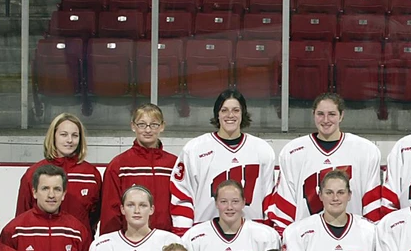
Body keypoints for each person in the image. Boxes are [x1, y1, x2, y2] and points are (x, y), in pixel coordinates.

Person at [268, 92, 384, 231]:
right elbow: (285, 201)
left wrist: (371, 234)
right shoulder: (293, 152)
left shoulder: (365, 151)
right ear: (313, 115)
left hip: (352, 235)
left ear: (341, 115)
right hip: (307, 236)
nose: (326, 120)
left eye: (332, 114)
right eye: (320, 114)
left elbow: (371, 203)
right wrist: (284, 234)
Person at [171, 89, 277, 235]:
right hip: (206, 233)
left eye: (236, 110)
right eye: (224, 110)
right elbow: (182, 194)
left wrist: (268, 232)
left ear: (243, 113)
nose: (230, 115)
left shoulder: (262, 150)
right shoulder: (195, 149)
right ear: (217, 114)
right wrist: (183, 233)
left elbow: (270, 197)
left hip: (251, 233)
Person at [16, 112, 101, 235]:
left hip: (80, 243)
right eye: (63, 135)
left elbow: (95, 215)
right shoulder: (34, 172)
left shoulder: (91, 174)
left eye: (75, 135)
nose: (70, 140)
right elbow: (22, 216)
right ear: (53, 136)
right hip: (40, 241)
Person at [99, 103, 177, 235]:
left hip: (167, 238)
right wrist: (111, 241)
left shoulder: (174, 164)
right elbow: (110, 211)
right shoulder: (119, 165)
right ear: (133, 126)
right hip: (130, 239)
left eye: (154, 124)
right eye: (142, 124)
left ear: (162, 126)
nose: (148, 130)